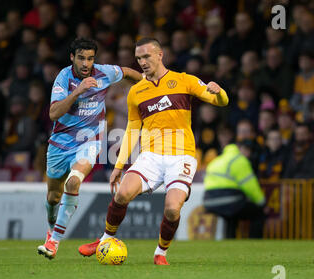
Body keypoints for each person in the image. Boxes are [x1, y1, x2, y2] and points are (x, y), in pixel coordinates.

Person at [79, 38, 229, 265]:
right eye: (138, 58)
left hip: (182, 156)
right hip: (150, 156)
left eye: (146, 56)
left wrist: (218, 92)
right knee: (121, 195)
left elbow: (220, 101)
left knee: (171, 209)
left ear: (160, 55)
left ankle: (161, 252)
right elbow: (132, 130)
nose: (142, 62)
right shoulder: (136, 92)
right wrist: (119, 166)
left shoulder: (183, 80)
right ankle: (105, 239)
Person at [37, 38, 142, 259]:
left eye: (90, 58)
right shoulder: (64, 77)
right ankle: (50, 230)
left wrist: (149, 85)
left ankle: (54, 242)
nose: (86, 63)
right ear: (72, 58)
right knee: (53, 197)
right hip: (60, 143)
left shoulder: (104, 73)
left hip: (89, 140)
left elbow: (127, 72)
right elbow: (53, 113)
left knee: (74, 180)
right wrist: (78, 91)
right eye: (82, 58)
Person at [203, 141, 266, 239]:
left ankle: (229, 241)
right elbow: (250, 185)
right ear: (240, 149)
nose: (248, 154)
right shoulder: (239, 160)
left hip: (208, 201)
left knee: (231, 216)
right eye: (247, 150)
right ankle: (255, 244)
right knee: (258, 213)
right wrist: (261, 202)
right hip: (228, 199)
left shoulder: (217, 160)